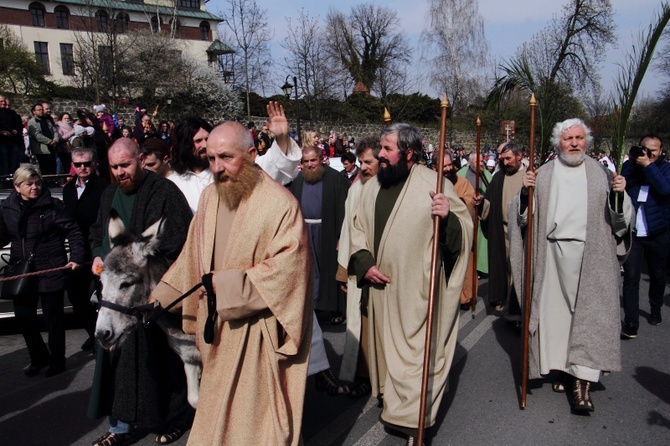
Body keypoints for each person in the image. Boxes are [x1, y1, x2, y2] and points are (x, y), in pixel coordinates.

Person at [150, 121, 313, 445]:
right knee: (216, 417)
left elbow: (289, 270)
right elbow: (191, 258)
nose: (217, 168)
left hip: (255, 333)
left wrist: (224, 287)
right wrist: (159, 299)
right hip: (215, 332)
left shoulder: (280, 205)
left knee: (254, 421)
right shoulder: (210, 197)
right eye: (211, 158)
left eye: (225, 157)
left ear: (252, 154)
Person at [348, 123, 472, 444]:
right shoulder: (372, 186)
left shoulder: (435, 184)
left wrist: (449, 219)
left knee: (416, 357)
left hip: (416, 292)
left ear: (408, 153)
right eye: (381, 148)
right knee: (388, 356)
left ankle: (413, 421)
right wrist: (365, 263)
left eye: (388, 149)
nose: (381, 154)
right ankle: (394, 405)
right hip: (380, 289)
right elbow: (357, 229)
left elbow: (463, 237)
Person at [509, 118, 634, 413]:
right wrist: (526, 194)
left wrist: (618, 194)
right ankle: (564, 369)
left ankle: (582, 384)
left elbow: (620, 221)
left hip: (592, 258)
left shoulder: (602, 175)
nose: (575, 143)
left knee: (590, 319)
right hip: (551, 254)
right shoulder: (543, 174)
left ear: (586, 141)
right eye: (568, 139)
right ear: (558, 143)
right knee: (559, 319)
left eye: (579, 138)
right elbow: (523, 218)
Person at [88, 138, 194, 446]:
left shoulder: (166, 194)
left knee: (165, 360)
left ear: (140, 159)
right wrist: (97, 252)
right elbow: (98, 231)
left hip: (153, 298)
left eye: (126, 164)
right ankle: (119, 427)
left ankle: (175, 418)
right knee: (111, 360)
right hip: (115, 296)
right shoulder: (108, 194)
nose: (120, 172)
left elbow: (180, 244)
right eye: (114, 166)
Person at [0, 165, 85, 376]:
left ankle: (57, 360)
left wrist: (76, 257)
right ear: (17, 187)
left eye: (37, 182)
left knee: (53, 319)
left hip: (50, 267)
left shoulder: (53, 206)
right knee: (23, 317)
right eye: (29, 184)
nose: (35, 187)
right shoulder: (7, 208)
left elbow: (73, 231)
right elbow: (2, 236)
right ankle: (38, 357)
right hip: (23, 270)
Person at [290, 145, 350, 395]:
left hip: (326, 230)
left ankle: (332, 307)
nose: (310, 165)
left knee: (325, 271)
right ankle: (312, 307)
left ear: (322, 160)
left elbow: (344, 209)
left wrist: (341, 236)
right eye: (306, 161)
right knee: (308, 273)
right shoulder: (296, 181)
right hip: (304, 231)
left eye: (313, 160)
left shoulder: (336, 179)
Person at [337, 135, 380, 397]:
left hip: (383, 269)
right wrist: (344, 272)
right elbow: (348, 230)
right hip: (358, 268)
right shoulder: (355, 190)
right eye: (361, 162)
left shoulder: (391, 189)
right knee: (360, 323)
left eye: (368, 162)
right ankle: (362, 375)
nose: (363, 167)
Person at [621, 135, 670, 338]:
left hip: (658, 232)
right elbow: (622, 186)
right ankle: (631, 322)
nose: (647, 153)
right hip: (634, 232)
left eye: (653, 151)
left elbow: (664, 189)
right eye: (644, 149)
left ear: (661, 153)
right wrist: (633, 165)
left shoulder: (666, 169)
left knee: (658, 275)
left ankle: (655, 307)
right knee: (631, 277)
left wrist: (649, 165)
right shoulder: (631, 166)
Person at [63, 148, 110, 351]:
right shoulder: (68, 189)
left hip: (99, 249)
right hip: (78, 251)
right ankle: (93, 332)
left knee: (104, 294)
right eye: (78, 164)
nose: (83, 168)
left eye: (87, 163)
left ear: (95, 164)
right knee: (77, 296)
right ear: (72, 166)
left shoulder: (105, 188)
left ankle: (107, 334)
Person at [476, 141, 525, 316]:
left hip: (523, 232)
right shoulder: (499, 177)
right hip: (502, 230)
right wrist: (481, 204)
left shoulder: (529, 176)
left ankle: (519, 307)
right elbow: (490, 202)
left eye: (508, 158)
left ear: (519, 156)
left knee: (520, 270)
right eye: (502, 159)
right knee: (505, 268)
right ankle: (507, 303)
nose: (504, 163)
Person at [442, 151, 476, 307]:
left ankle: (465, 297)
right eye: (445, 166)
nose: (449, 168)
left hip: (460, 231)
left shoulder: (462, 182)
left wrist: (463, 202)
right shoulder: (431, 182)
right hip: (440, 232)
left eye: (450, 164)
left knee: (463, 265)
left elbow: (469, 200)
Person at [458, 152, 492, 276]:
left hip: (481, 213)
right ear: (471, 162)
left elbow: (491, 193)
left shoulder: (487, 175)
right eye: (478, 161)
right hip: (466, 213)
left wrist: (483, 201)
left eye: (482, 161)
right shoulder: (461, 174)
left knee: (480, 242)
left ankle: (479, 267)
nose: (481, 164)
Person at [28, 103, 60, 175]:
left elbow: (54, 130)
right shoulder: (32, 122)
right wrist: (49, 141)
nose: (41, 111)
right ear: (34, 111)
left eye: (42, 110)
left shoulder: (47, 120)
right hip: (42, 149)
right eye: (39, 110)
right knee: (44, 168)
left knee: (53, 167)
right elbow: (37, 135)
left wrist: (55, 140)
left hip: (51, 147)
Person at [0, 94, 22, 176]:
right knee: (4, 162)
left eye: (4, 101)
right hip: (2, 141)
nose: (3, 103)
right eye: (1, 101)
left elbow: (19, 125)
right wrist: (2, 132)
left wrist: (16, 130)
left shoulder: (11, 113)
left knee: (13, 162)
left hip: (12, 141)